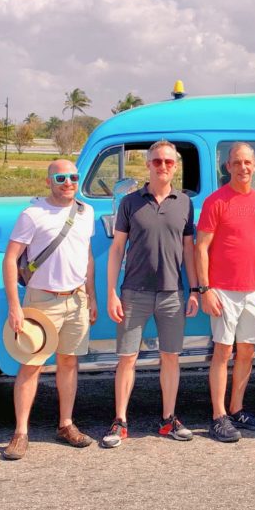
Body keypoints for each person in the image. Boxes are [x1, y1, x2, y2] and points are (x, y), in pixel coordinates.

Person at [102, 140, 200, 448]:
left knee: (171, 357)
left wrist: (195, 289)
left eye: (169, 162)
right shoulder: (130, 203)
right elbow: (117, 248)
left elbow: (189, 249)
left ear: (175, 166)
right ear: (148, 165)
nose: (163, 166)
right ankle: (120, 421)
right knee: (126, 359)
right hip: (134, 291)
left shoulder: (184, 202)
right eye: (157, 161)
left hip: (173, 293)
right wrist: (111, 293)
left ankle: (168, 419)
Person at [1, 159, 98, 460]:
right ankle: (20, 432)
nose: (68, 182)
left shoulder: (86, 212)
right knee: (32, 365)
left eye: (73, 176)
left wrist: (91, 296)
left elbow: (87, 257)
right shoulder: (32, 214)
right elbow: (10, 258)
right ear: (49, 181)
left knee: (69, 362)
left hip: (76, 299)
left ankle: (66, 424)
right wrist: (14, 306)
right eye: (61, 177)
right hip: (42, 300)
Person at [195, 143, 255, 442]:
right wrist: (205, 290)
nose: (243, 168)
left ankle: (237, 408)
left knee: (247, 350)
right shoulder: (216, 201)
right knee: (223, 351)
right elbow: (200, 247)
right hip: (223, 290)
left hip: (252, 290)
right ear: (227, 167)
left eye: (248, 163)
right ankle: (218, 416)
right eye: (237, 163)